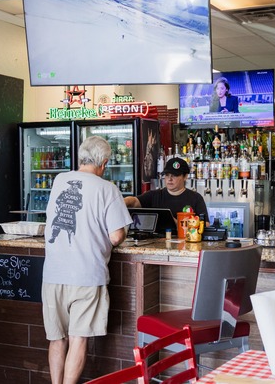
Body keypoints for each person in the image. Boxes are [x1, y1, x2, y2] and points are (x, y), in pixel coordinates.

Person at [42, 136, 131, 384]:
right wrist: (122, 232)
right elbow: (115, 237)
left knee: (57, 338)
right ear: (103, 163)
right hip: (87, 276)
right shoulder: (107, 189)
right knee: (78, 338)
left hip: (53, 274)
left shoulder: (59, 181)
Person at [124, 157, 208, 224]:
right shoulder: (154, 195)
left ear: (185, 176)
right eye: (167, 175)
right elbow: (134, 202)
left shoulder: (196, 198)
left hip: (186, 242)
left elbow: (206, 224)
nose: (169, 179)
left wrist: (177, 223)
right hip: (156, 243)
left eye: (174, 175)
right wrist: (122, 202)